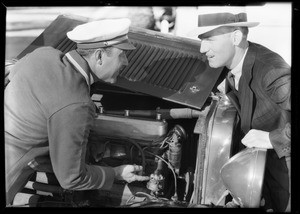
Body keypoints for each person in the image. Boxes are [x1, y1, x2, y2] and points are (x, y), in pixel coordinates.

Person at [5, 18, 150, 206]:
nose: (126, 62)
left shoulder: (43, 54)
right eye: (122, 55)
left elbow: (13, 71)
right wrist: (116, 173)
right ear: (98, 56)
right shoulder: (77, 104)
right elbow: (71, 178)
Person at [190, 12, 291, 212]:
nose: (202, 49)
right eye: (201, 40)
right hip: (263, 180)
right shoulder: (233, 66)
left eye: (209, 39)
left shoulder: (271, 70)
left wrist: (273, 138)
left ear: (236, 37)